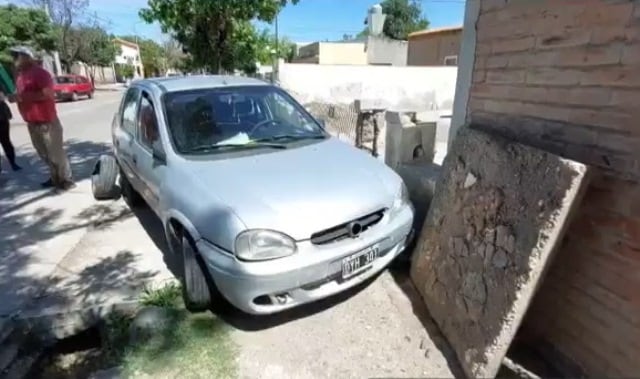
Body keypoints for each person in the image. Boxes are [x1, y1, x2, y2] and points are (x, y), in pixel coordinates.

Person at [7, 46, 74, 190]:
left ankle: (65, 179)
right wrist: (14, 97)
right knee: (43, 153)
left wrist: (22, 97)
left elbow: (47, 94)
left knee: (56, 154)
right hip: (32, 122)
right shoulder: (21, 77)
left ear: (27, 57)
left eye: (17, 55)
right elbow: (21, 96)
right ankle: (55, 177)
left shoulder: (40, 74)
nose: (15, 59)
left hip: (47, 121)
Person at [0, 91, 21, 172]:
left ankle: (13, 163)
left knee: (6, 142)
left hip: (2, 118)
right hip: (2, 117)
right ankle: (13, 164)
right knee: (6, 142)